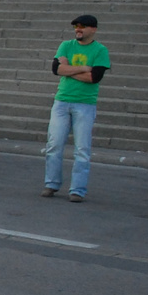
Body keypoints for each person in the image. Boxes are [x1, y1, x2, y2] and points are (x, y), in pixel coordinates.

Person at [43, 14, 111, 202]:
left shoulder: (100, 50)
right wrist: (83, 68)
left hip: (85, 104)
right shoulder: (66, 45)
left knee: (82, 148)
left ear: (93, 29)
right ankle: (51, 184)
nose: (78, 29)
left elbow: (94, 78)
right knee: (54, 145)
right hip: (62, 101)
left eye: (82, 26)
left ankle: (77, 190)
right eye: (76, 26)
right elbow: (56, 69)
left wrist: (69, 69)